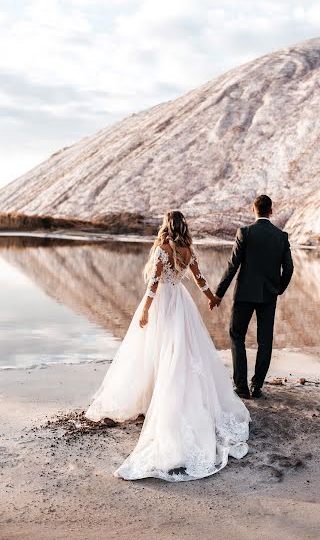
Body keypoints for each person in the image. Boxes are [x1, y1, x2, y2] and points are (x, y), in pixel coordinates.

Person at [85, 211, 250, 482]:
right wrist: (212, 298)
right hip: (181, 303)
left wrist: (146, 310)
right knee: (179, 351)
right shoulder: (187, 250)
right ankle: (158, 397)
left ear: (166, 226)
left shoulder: (163, 249)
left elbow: (153, 284)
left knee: (158, 350)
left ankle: (158, 400)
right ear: (183, 227)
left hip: (164, 303)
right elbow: (200, 280)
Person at [212, 195, 294, 399]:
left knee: (237, 335)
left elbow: (233, 265)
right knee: (265, 341)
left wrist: (219, 293)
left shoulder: (245, 233)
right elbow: (289, 268)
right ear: (271, 211)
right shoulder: (281, 236)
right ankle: (257, 386)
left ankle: (241, 387)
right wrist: (278, 288)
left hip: (244, 294)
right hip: (269, 295)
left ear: (253, 209)